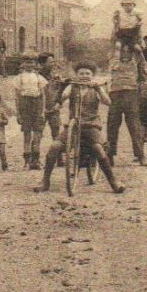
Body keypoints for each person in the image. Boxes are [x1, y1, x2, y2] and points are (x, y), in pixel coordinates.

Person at [37, 62, 125, 194]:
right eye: (81, 73)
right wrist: (64, 85)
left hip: (91, 126)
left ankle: (113, 182)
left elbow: (108, 102)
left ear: (92, 76)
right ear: (76, 75)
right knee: (55, 146)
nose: (84, 76)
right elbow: (62, 98)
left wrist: (98, 88)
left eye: (87, 74)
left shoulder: (95, 88)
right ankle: (45, 181)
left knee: (98, 149)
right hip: (74, 126)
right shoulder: (73, 87)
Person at [105, 42, 147, 165]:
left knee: (135, 126)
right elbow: (115, 44)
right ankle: (110, 156)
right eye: (122, 51)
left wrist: (135, 46)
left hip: (131, 94)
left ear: (131, 53)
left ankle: (141, 156)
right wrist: (118, 45)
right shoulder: (114, 60)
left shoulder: (135, 61)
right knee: (112, 126)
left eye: (127, 51)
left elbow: (141, 55)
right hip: (115, 94)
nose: (125, 53)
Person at [8, 55, 50, 170]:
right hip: (24, 105)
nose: (29, 65)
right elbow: (17, 96)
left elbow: (43, 95)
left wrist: (42, 111)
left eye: (31, 62)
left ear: (35, 64)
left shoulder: (39, 77)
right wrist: (18, 113)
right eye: (27, 62)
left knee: (37, 134)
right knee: (27, 135)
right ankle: (26, 162)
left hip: (36, 105)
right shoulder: (19, 78)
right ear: (23, 64)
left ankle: (36, 161)